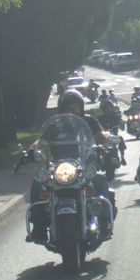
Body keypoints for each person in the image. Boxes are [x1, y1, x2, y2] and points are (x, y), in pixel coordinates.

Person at [27, 90, 115, 243]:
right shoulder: (55, 125)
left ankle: (105, 221)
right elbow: (42, 142)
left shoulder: (89, 121)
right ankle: (39, 227)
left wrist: (106, 140)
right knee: (38, 184)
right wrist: (32, 149)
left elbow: (100, 135)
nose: (73, 110)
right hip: (59, 167)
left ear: (81, 107)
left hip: (84, 165)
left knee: (100, 181)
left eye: (76, 106)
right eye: (69, 107)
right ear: (62, 108)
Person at [98, 99, 127, 166]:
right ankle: (97, 160)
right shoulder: (100, 118)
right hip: (103, 138)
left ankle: (122, 158)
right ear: (103, 109)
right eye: (106, 108)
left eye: (110, 107)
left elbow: (120, 123)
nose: (108, 109)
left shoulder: (115, 116)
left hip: (113, 138)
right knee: (95, 146)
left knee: (120, 139)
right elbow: (95, 124)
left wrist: (121, 123)